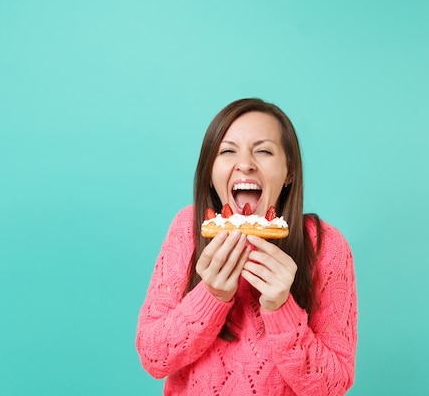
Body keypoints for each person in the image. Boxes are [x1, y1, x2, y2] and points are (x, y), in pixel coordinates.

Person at [135, 98, 358, 396]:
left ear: (289, 170)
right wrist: (211, 296)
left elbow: (332, 385)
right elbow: (153, 357)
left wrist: (281, 309)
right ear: (211, 173)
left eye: (263, 151)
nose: (245, 164)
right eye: (227, 151)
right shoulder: (187, 229)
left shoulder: (325, 245)